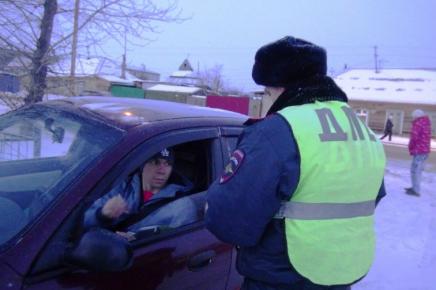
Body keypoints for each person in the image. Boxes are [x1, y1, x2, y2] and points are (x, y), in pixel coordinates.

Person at [205, 36, 387, 290]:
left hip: (283, 277)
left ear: (280, 87)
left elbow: (231, 221)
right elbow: (370, 197)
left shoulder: (277, 130)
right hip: (342, 272)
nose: (266, 99)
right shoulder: (361, 131)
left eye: (266, 91)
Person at [83, 148, 197, 238]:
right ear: (143, 165)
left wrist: (138, 239)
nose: (162, 171)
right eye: (155, 162)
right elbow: (82, 221)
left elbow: (181, 245)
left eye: (167, 164)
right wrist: (102, 215)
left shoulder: (182, 205)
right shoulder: (122, 187)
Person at [405, 109, 432, 196]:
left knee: (415, 170)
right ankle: (415, 188)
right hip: (425, 151)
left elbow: (414, 138)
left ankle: (416, 191)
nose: (413, 118)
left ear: (416, 116)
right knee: (418, 170)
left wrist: (410, 147)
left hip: (419, 151)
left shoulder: (418, 124)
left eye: (413, 117)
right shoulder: (426, 123)